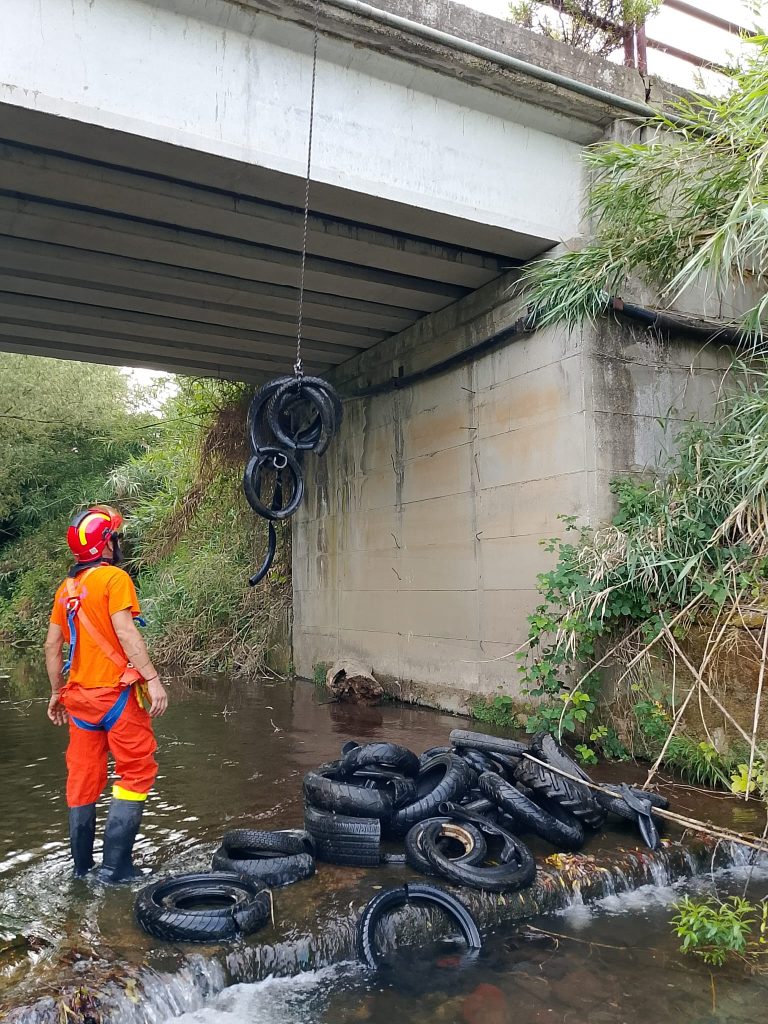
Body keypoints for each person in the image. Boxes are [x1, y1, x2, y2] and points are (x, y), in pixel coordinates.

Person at [44, 505, 168, 882]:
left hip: (79, 703)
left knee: (82, 782)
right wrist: (152, 679)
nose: (117, 542)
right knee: (136, 772)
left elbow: (52, 646)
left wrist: (56, 692)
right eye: (113, 536)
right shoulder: (114, 578)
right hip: (116, 697)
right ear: (105, 544)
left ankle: (82, 870)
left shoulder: (66, 590)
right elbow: (127, 633)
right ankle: (115, 869)